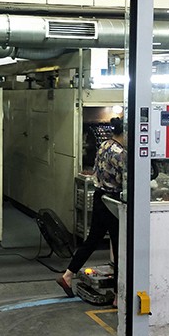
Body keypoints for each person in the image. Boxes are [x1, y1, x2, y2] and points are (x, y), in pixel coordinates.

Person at [56, 116, 126, 303]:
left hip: (99, 197)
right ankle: (118, 296)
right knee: (120, 247)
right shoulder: (120, 153)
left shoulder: (104, 145)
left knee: (92, 240)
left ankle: (68, 275)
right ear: (125, 132)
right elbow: (126, 179)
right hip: (113, 202)